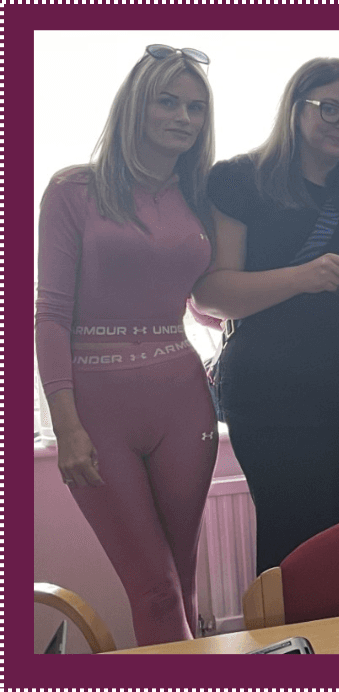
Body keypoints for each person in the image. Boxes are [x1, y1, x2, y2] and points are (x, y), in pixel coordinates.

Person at [192, 58, 339, 574]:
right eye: (330, 110)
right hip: (271, 398)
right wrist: (303, 277)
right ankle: (294, 652)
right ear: (296, 110)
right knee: (293, 543)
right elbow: (212, 293)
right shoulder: (241, 180)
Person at [35, 45, 218, 645]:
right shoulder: (73, 191)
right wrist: (67, 427)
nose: (183, 117)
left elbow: (206, 299)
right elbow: (51, 316)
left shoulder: (200, 197)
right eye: (168, 101)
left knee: (183, 582)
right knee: (155, 586)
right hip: (97, 414)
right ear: (135, 105)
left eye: (195, 106)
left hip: (184, 402)